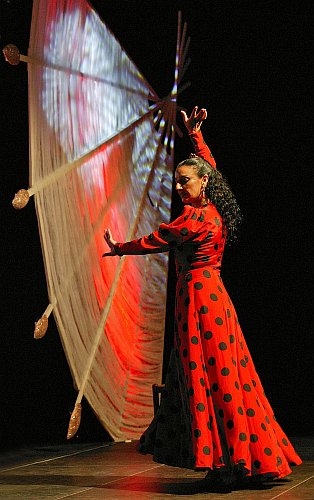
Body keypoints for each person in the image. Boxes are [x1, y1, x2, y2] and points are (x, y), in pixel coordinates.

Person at [103, 106, 301, 487]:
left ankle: (225, 463)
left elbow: (154, 240)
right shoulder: (214, 210)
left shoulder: (195, 219)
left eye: (185, 182)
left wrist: (120, 248)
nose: (179, 188)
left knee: (207, 375)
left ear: (202, 184)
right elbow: (209, 165)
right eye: (177, 182)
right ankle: (240, 458)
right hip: (215, 298)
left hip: (198, 302)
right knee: (228, 374)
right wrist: (196, 136)